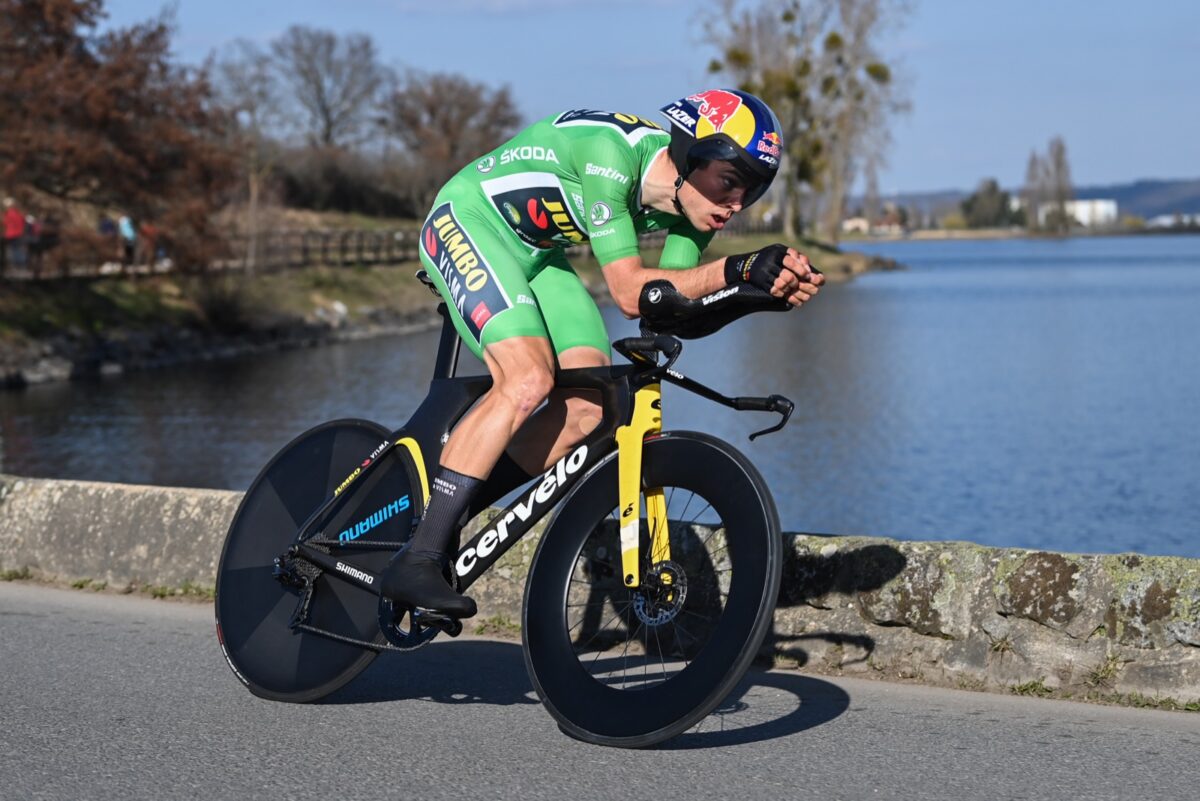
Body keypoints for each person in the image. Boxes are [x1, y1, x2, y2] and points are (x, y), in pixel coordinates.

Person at [382, 89, 825, 618]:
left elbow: (665, 307)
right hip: (469, 219)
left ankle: (451, 510)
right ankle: (419, 558)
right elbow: (627, 290)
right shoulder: (610, 156)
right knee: (527, 380)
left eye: (749, 194)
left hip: (537, 255)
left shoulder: (690, 213)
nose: (735, 206)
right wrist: (740, 268)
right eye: (729, 184)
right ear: (690, 156)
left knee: (589, 408)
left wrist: (759, 295)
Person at [3, 197, 26, 272]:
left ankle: (17, 266)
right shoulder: (18, 213)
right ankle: (20, 265)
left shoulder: (9, 213)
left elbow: (6, 223)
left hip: (11, 234)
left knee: (14, 250)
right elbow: (22, 222)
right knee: (17, 249)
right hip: (18, 234)